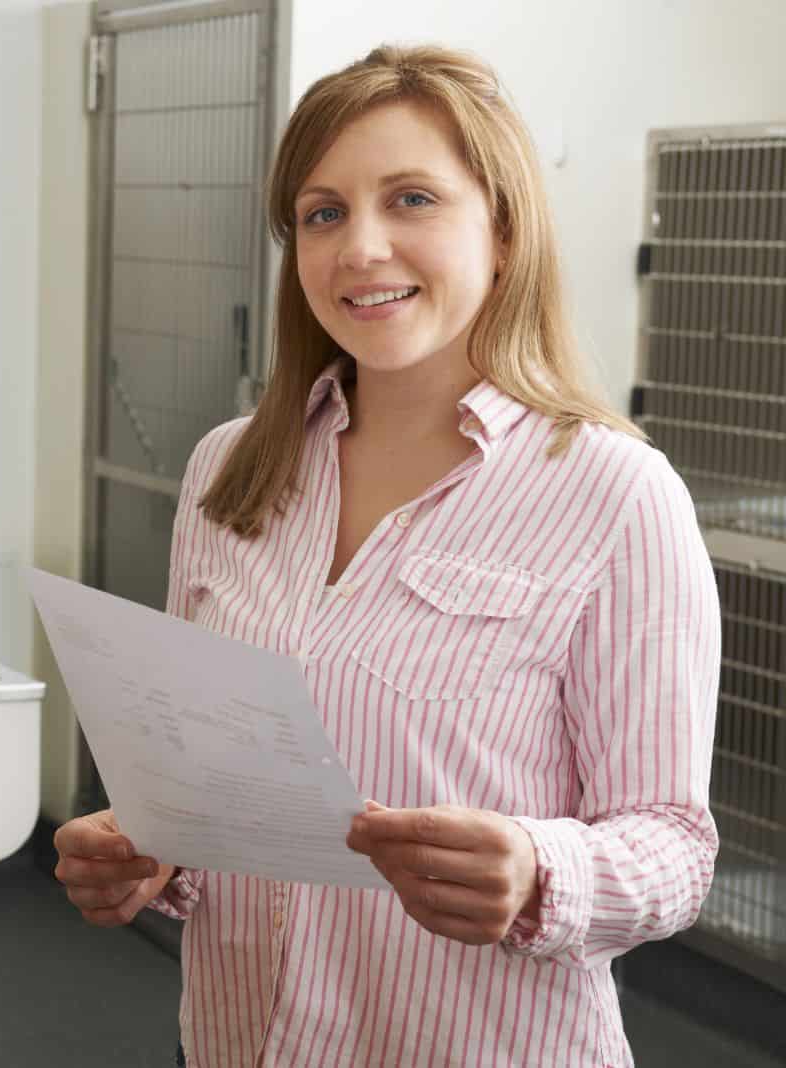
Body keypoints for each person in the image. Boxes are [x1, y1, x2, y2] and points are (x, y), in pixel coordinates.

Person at [53, 44, 719, 1067]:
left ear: (501, 230)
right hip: (236, 1042)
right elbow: (215, 784)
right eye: (322, 213)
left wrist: (541, 870)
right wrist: (151, 851)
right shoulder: (230, 471)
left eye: (411, 199)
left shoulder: (615, 495)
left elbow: (672, 846)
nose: (359, 246)